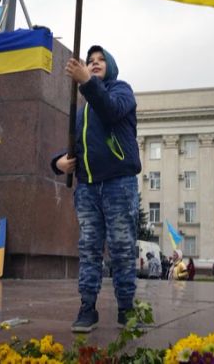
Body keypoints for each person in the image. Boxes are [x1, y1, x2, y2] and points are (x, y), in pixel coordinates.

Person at [51, 45, 141, 332]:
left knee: (122, 248)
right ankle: (87, 308)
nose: (95, 63)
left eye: (101, 60)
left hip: (118, 184)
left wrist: (86, 82)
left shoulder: (121, 91)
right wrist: (58, 163)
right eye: (90, 62)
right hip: (88, 188)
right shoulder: (82, 110)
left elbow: (112, 111)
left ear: (110, 65)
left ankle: (126, 308)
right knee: (89, 249)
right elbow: (74, 145)